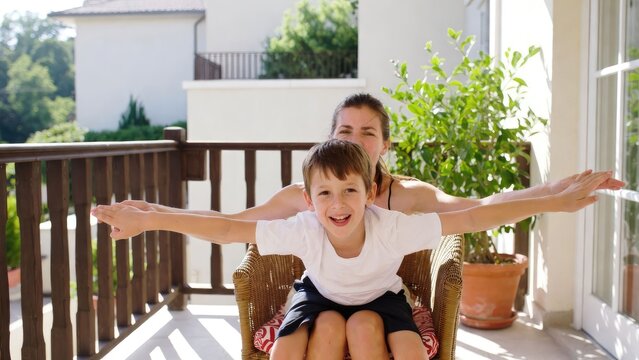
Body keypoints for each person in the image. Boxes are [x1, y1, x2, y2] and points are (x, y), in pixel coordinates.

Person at [120, 93, 625, 358]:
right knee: (310, 339)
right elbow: (232, 227)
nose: (357, 141)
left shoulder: (401, 203)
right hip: (319, 294)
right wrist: (155, 218)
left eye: (368, 133)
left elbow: (478, 208)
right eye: (345, 131)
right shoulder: (306, 204)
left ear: (383, 145)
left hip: (380, 296)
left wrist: (554, 195)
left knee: (369, 332)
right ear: (329, 141)